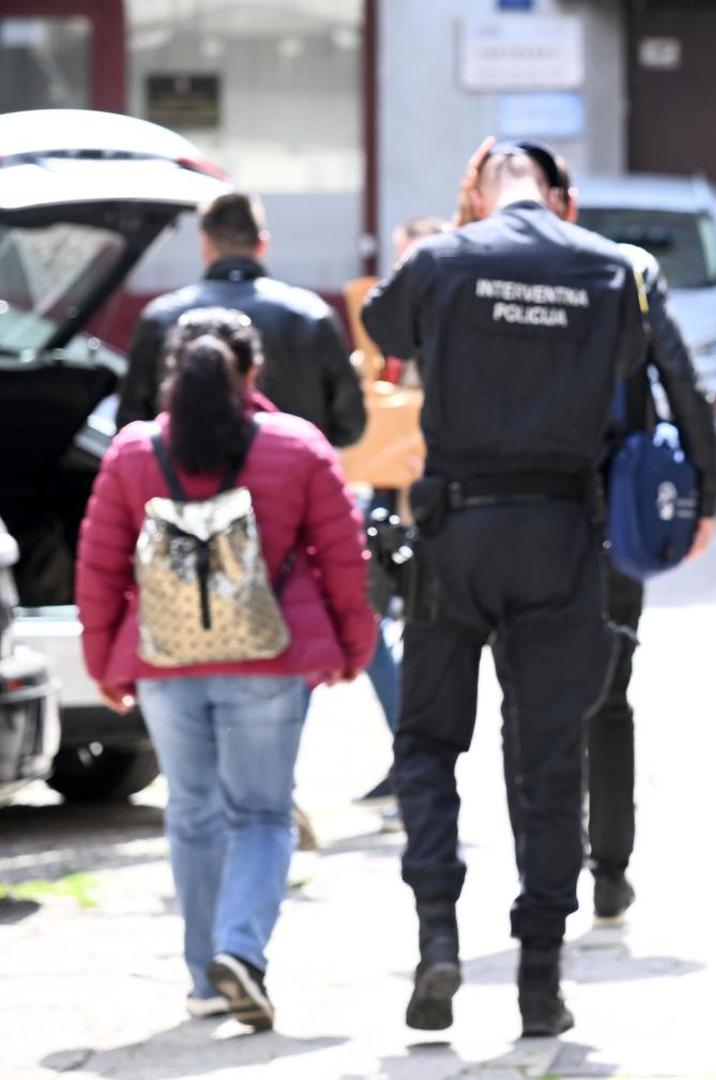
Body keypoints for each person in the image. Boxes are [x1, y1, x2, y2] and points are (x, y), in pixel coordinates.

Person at [361, 142, 648, 1037]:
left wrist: (460, 246)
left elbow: (382, 330)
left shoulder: (444, 258)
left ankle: (438, 937)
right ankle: (538, 980)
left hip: (457, 537)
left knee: (429, 744)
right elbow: (635, 377)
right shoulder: (606, 267)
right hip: (561, 534)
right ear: (556, 195)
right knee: (546, 762)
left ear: (476, 192)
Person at [76, 330, 374, 1030]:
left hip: (164, 663)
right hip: (267, 663)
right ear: (254, 371)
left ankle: (204, 978)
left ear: (171, 374)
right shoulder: (295, 446)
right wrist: (352, 647)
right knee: (263, 815)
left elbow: (99, 566)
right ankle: (241, 950)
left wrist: (103, 662)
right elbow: (344, 558)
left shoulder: (132, 452)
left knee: (192, 814)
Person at [490, 148, 716, 921]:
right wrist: (703, 499)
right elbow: (682, 387)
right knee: (608, 695)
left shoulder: (483, 274)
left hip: (517, 513)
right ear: (570, 202)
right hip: (613, 512)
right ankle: (609, 870)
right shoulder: (626, 272)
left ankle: (540, 875)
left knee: (524, 697)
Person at [115, 191, 366, 449]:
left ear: (206, 243)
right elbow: (350, 424)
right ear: (262, 244)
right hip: (288, 481)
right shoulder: (312, 315)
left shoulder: (162, 318)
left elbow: (131, 425)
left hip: (186, 485)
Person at [354, 214, 447, 816]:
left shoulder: (447, 333)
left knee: (416, 642)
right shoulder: (396, 335)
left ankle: (417, 769)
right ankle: (409, 759)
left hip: (432, 511)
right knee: (375, 631)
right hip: (392, 502)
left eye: (411, 260)